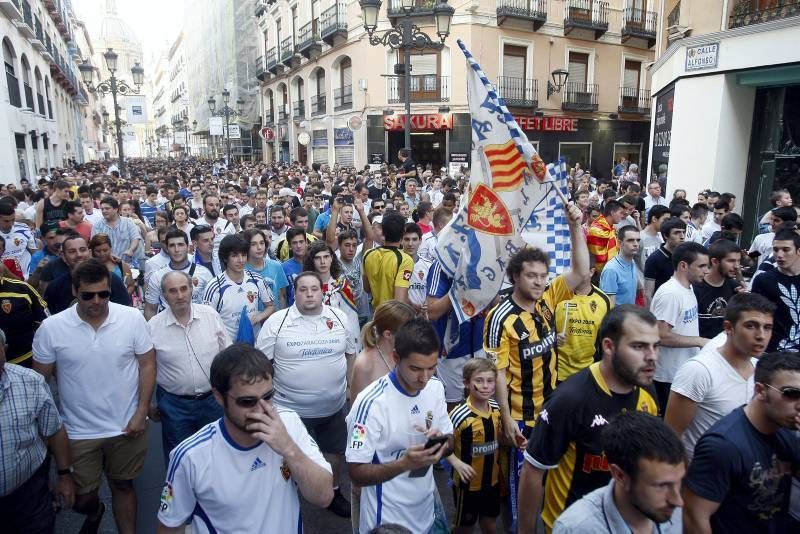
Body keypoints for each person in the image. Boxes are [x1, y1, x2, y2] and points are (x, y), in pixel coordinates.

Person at [483, 199, 589, 529]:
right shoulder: (499, 317)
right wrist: (508, 417)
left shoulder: (548, 300)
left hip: (550, 408)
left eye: (543, 276)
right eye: (531, 276)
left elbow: (581, 271)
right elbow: (496, 370)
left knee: (547, 482)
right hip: (520, 416)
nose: (539, 282)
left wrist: (575, 226)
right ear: (515, 276)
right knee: (519, 493)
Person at [156, 344, 334, 533]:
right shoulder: (191, 457)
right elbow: (170, 526)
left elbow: (324, 496)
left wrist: (288, 448)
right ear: (218, 396)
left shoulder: (288, 424)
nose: (260, 409)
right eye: (247, 402)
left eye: (268, 396)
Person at [32, 259, 155, 534]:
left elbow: (147, 363)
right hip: (76, 431)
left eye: (104, 294)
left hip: (126, 426)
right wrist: (50, 431)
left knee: (123, 485)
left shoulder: (132, 318)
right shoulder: (52, 328)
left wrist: (141, 411)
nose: (97, 301)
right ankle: (95, 510)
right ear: (75, 291)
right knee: (79, 497)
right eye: (88, 295)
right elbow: (39, 385)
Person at [517, 305, 660, 534]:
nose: (652, 356)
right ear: (608, 346)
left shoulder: (647, 393)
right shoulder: (570, 399)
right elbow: (534, 470)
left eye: (656, 346)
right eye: (639, 346)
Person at [256, 271, 357, 518]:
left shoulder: (340, 317)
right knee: (285, 457)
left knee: (334, 454)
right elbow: (260, 364)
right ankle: (284, 497)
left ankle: (332, 491)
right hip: (289, 410)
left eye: (314, 289)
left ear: (322, 291)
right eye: (303, 289)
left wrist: (350, 388)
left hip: (332, 407)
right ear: (295, 293)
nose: (310, 294)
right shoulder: (277, 322)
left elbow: (351, 354)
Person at [346, 318, 453, 533]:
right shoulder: (370, 404)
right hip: (386, 521)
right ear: (396, 357)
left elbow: (450, 441)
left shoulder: (435, 389)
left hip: (427, 514)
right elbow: (356, 472)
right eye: (415, 368)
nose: (424, 378)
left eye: (431, 368)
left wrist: (440, 443)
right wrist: (404, 464)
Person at [682, 352, 800, 533]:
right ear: (760, 391)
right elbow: (694, 518)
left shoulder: (788, 430)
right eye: (791, 394)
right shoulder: (722, 445)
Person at [665, 292, 775, 459]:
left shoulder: (759, 369)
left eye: (767, 327)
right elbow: (670, 437)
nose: (761, 335)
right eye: (751, 326)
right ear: (729, 328)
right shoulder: (699, 371)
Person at [552, 411, 685, 534]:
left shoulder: (672, 511)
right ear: (619, 475)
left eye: (680, 483)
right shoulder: (576, 529)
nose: (678, 501)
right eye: (662, 486)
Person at [148, 271, 230, 462]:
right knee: (180, 459)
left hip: (213, 401)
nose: (180, 295)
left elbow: (227, 356)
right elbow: (147, 368)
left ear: (192, 289)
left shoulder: (210, 315)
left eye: (184, 289)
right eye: (173, 291)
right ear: (164, 295)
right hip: (175, 406)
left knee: (219, 455)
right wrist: (146, 405)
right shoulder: (153, 326)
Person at [0, 327, 76, 533]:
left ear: (4, 349)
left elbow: (54, 430)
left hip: (28, 496)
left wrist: (64, 475)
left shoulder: (30, 381)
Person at [651, 242, 710, 410]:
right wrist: (699, 341)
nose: (706, 271)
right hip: (668, 378)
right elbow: (661, 335)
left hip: (683, 373)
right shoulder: (670, 293)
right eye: (702, 266)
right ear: (684, 265)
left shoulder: (688, 288)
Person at [446, 358, 503, 534]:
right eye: (479, 381)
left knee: (491, 524)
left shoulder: (496, 409)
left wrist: (515, 441)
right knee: (464, 527)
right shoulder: (459, 415)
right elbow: (443, 447)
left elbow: (498, 439)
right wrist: (456, 462)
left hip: (492, 483)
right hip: (467, 486)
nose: (485, 386)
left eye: (490, 381)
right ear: (466, 383)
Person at [203, 234, 275, 341]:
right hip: (229, 348)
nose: (241, 260)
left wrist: (258, 318)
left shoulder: (256, 279)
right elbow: (206, 321)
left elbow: (271, 306)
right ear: (225, 258)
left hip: (255, 344)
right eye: (235, 256)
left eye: (244, 255)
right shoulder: (214, 287)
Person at [44, 234, 131, 314]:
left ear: (89, 253)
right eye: (72, 251)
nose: (79, 255)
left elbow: (125, 314)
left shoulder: (112, 280)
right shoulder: (55, 288)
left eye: (82, 250)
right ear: (63, 257)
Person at [556, 257, 611, 382]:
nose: (575, 273)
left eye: (580, 269)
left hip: (588, 374)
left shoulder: (604, 301)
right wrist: (554, 338)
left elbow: (605, 341)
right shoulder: (556, 296)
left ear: (592, 271)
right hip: (557, 374)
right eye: (573, 269)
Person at [144, 229, 214, 320]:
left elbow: (212, 306)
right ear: (167, 249)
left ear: (188, 247)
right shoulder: (157, 277)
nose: (177, 250)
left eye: (180, 245)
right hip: (169, 328)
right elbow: (150, 309)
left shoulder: (205, 273)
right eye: (172, 246)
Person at [751, 228, 800, 352]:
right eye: (776, 249)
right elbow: (754, 317)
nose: (779, 255)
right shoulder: (764, 281)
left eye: (786, 249)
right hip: (774, 354)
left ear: (798, 251)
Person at [693, 239, 743, 340]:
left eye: (738, 260)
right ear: (715, 262)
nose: (737, 266)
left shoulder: (734, 287)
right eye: (731, 261)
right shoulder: (695, 288)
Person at [363, 210, 414, 308]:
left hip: (376, 315)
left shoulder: (368, 254)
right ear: (403, 232)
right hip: (393, 318)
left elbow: (367, 288)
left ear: (382, 231)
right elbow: (400, 301)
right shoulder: (405, 260)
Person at [643, 217, 687, 307]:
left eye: (683, 232)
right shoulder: (654, 259)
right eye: (677, 233)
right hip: (662, 308)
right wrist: (653, 319)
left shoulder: (685, 256)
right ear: (666, 236)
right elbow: (648, 294)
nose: (682, 236)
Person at [244, 227, 289, 309]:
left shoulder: (276, 266)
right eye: (253, 244)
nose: (259, 247)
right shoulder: (242, 270)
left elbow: (282, 296)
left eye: (262, 243)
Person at [90, 197, 141, 264]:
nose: (104, 211)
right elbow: (94, 244)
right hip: (105, 263)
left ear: (116, 209)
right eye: (102, 209)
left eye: (107, 208)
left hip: (125, 263)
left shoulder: (128, 222)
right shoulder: (97, 225)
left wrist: (131, 250)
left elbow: (135, 237)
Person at [598, 225, 640, 306]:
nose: (636, 244)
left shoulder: (632, 262)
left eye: (638, 240)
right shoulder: (611, 270)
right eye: (630, 240)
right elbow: (610, 306)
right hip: (617, 318)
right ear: (619, 242)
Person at [0, 201, 38, 276]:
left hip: (26, 278)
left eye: (13, 220)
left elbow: (34, 253)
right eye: (6, 221)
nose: (11, 224)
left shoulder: (24, 228)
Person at [402, 222, 432, 313]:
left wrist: (427, 303)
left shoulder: (429, 265)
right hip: (402, 317)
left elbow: (431, 293)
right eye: (407, 239)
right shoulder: (395, 263)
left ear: (420, 241)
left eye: (414, 239)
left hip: (422, 318)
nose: (410, 244)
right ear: (401, 240)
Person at [587, 200, 624, 272]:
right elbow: (599, 259)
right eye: (621, 213)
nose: (622, 216)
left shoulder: (611, 229)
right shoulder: (596, 230)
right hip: (598, 272)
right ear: (612, 213)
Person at [636, 205, 669, 272]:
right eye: (665, 220)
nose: (667, 223)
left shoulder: (662, 238)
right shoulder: (639, 238)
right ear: (654, 219)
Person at [282, 227, 308, 306]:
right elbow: (283, 296)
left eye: (301, 242)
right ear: (289, 245)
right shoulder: (284, 268)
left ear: (306, 242)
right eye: (294, 243)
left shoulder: (316, 262)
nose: (298, 246)